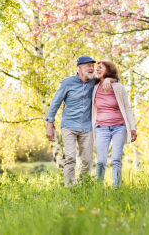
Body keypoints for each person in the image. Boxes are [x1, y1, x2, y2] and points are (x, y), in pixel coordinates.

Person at [46, 56, 116, 186]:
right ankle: (70, 188)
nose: (91, 68)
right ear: (79, 68)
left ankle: (83, 187)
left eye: (92, 66)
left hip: (87, 127)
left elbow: (116, 79)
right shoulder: (67, 83)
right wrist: (50, 125)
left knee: (87, 160)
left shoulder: (94, 82)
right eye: (88, 66)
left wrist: (107, 79)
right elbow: (55, 103)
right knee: (70, 157)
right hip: (69, 126)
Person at [92, 60, 137, 187]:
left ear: (108, 70)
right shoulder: (94, 87)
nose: (97, 70)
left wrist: (132, 128)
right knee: (101, 161)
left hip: (119, 127)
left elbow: (127, 108)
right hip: (101, 128)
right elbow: (80, 84)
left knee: (116, 159)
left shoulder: (118, 87)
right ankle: (98, 187)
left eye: (100, 68)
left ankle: (116, 188)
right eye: (97, 68)